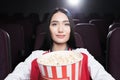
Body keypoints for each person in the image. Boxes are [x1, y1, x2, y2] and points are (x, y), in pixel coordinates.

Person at [5, 8, 115, 80]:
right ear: (49, 29)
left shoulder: (83, 54)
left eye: (66, 24)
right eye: (54, 24)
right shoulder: (36, 56)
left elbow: (102, 75)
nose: (60, 29)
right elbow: (17, 75)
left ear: (71, 29)